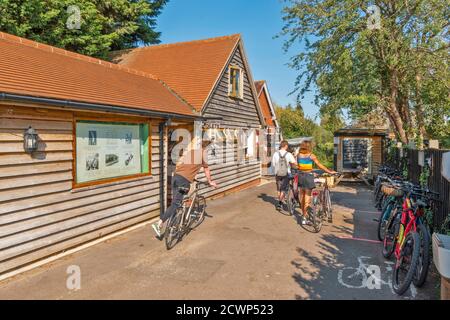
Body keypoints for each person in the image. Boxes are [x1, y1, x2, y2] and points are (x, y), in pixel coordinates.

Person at [152, 137, 217, 238]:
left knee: (176, 202)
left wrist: (190, 177)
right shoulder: (204, 154)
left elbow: (184, 165)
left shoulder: (192, 152)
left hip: (176, 177)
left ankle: (173, 226)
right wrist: (210, 182)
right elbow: (206, 170)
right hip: (184, 181)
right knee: (176, 203)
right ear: (207, 147)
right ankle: (160, 223)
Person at [296, 140, 337, 224]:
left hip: (300, 176)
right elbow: (319, 165)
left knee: (302, 196)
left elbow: (299, 166)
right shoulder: (311, 155)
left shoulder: (298, 155)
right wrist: (329, 171)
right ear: (309, 147)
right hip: (308, 176)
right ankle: (304, 217)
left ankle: (304, 214)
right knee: (307, 197)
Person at [271, 140, 296, 210]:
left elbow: (273, 164)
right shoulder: (288, 154)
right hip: (286, 173)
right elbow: (294, 163)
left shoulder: (275, 154)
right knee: (283, 189)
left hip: (277, 173)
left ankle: (280, 202)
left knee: (279, 188)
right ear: (286, 146)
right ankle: (280, 203)